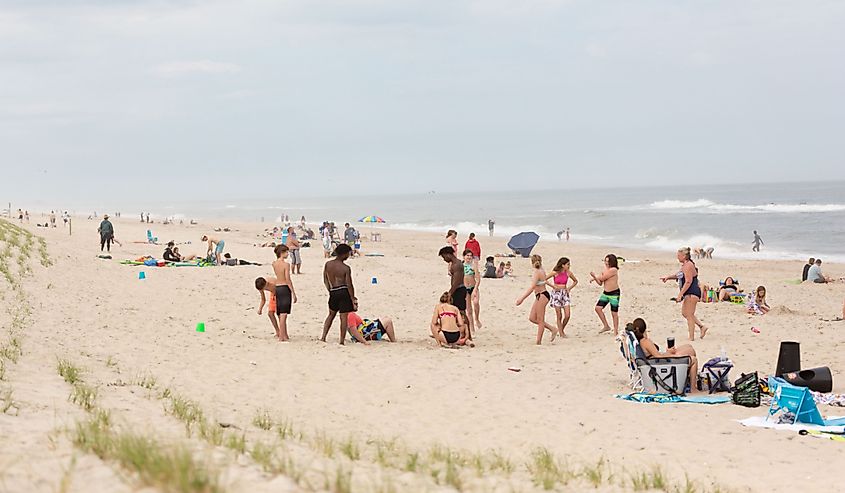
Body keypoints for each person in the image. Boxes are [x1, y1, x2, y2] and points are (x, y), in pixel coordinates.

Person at [629, 318, 699, 393]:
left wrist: (668, 352)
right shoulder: (645, 342)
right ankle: (693, 388)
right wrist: (669, 354)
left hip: (655, 360)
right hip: (659, 363)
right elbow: (658, 356)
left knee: (688, 347)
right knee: (693, 359)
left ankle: (685, 379)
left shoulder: (639, 341)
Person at [321, 244, 367, 345]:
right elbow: (349, 285)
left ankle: (323, 337)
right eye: (348, 254)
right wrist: (353, 298)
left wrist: (330, 290)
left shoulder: (328, 264)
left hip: (333, 291)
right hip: (343, 292)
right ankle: (341, 341)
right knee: (343, 318)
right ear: (344, 254)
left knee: (331, 315)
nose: (348, 256)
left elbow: (325, 279)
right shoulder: (345, 268)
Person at [661, 247, 707, 341]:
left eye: (679, 255)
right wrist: (667, 278)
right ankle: (702, 327)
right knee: (685, 313)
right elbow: (678, 275)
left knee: (689, 315)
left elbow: (688, 281)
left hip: (692, 292)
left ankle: (691, 337)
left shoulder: (689, 265)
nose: (677, 257)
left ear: (684, 256)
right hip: (688, 292)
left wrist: (680, 294)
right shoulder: (684, 265)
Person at [516, 254, 558, 344]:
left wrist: (522, 299)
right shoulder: (541, 270)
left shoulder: (537, 272)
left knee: (540, 320)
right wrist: (553, 286)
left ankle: (538, 341)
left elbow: (532, 287)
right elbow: (544, 281)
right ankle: (552, 329)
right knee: (532, 318)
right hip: (540, 295)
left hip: (542, 295)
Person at [439, 246, 471, 341]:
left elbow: (456, 282)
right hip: (458, 290)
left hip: (459, 290)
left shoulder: (456, 265)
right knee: (456, 312)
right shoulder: (455, 263)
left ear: (448, 254)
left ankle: (468, 335)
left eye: (444, 257)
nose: (444, 259)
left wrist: (449, 293)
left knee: (461, 312)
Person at [546, 257, 578, 338]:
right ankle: (561, 333)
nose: (569, 266)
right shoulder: (555, 272)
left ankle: (561, 329)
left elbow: (575, 281)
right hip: (556, 294)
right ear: (563, 265)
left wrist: (569, 288)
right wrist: (553, 286)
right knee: (559, 315)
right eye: (567, 264)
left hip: (564, 294)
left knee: (567, 315)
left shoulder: (568, 273)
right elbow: (544, 279)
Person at [271, 244, 296, 341]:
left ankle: (284, 335)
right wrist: (293, 292)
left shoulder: (274, 263)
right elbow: (288, 279)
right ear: (282, 253)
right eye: (286, 252)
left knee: (280, 312)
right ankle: (282, 336)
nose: (288, 254)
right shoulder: (286, 265)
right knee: (284, 314)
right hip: (284, 287)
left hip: (278, 287)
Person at [591, 253, 620, 335]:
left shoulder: (613, 270)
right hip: (606, 293)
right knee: (598, 308)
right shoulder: (605, 270)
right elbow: (600, 283)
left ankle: (615, 330)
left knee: (614, 313)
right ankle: (606, 326)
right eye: (605, 261)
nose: (606, 263)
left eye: (608, 261)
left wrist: (594, 277)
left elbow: (603, 278)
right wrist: (595, 278)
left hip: (614, 293)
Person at [462, 249, 482, 329]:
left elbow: (478, 279)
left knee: (476, 303)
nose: (469, 257)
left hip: (473, 287)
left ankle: (477, 319)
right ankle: (472, 328)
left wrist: (475, 289)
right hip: (465, 288)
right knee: (469, 310)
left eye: (470, 256)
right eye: (467, 255)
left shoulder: (474, 265)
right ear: (464, 256)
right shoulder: (461, 265)